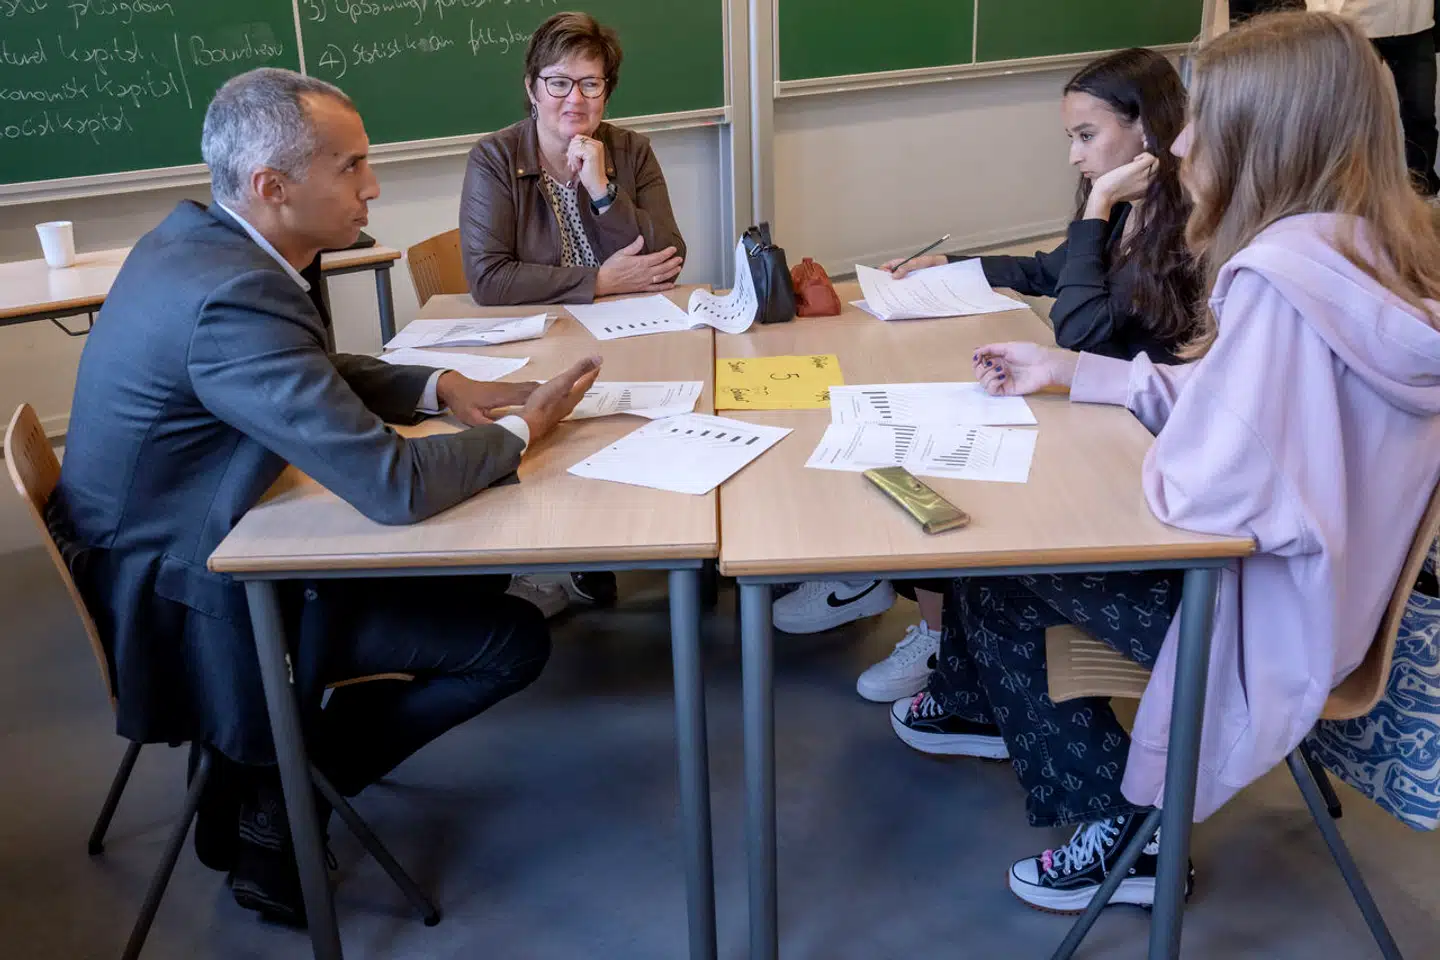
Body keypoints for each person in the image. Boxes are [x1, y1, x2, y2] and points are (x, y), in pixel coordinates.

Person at [47, 67, 602, 924]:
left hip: (187, 535)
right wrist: (528, 431)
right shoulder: (235, 292)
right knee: (510, 639)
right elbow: (392, 486)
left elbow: (293, 373)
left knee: (474, 573)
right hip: (181, 593)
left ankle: (278, 760)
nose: (372, 187)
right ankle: (285, 794)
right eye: (351, 168)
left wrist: (437, 386)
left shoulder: (201, 242)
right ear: (272, 188)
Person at [916, 10, 1440, 912]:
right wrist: (1076, 371)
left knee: (995, 568)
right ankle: (1041, 756)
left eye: (1209, 116)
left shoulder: (1277, 278)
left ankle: (1131, 836)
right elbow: (1252, 412)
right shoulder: (1375, 251)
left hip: (1261, 625)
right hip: (1323, 603)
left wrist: (1132, 438)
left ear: (1265, 135)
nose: (1187, 137)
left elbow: (1200, 489)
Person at [779, 49, 1202, 703]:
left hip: (1140, 454)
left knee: (960, 485)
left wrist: (1098, 203)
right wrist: (951, 264)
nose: (1075, 156)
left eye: (1086, 137)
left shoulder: (1183, 227)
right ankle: (917, 613)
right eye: (1072, 139)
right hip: (1096, 418)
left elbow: (1080, 327)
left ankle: (945, 643)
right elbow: (1052, 271)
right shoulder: (1124, 208)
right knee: (927, 449)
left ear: (1146, 128)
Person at [460, 10, 686, 608]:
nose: (575, 99)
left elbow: (667, 257)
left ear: (607, 90)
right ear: (532, 87)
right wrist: (599, 282)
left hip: (633, 339)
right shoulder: (494, 159)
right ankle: (561, 546)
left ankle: (636, 538)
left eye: (592, 84)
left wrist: (603, 190)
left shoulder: (630, 151)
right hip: (539, 346)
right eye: (559, 82)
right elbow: (488, 279)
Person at [1308, 1, 1439, 195]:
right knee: (1350, 116)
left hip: (1415, 22)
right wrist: (1322, 12)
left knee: (1421, 113)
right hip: (1357, 22)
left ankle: (1422, 189)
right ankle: (1349, 191)